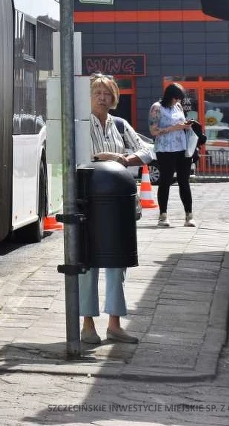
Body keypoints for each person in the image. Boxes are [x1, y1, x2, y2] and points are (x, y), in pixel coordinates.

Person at [81, 74, 153, 344]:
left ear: (114, 98)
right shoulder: (80, 124)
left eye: (107, 93)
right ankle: (87, 325)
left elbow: (148, 150)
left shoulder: (120, 125)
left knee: (117, 262)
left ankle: (114, 324)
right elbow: (75, 156)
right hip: (89, 202)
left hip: (120, 204)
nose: (102, 97)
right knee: (87, 263)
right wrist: (101, 158)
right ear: (88, 96)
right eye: (98, 92)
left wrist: (123, 158)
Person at [148, 83, 195, 228]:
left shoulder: (178, 107)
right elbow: (153, 131)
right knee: (165, 181)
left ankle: (189, 215)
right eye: (175, 98)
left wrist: (185, 125)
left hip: (182, 148)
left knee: (184, 181)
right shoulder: (156, 107)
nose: (177, 101)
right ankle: (163, 215)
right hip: (165, 149)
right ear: (169, 96)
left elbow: (180, 123)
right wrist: (173, 128)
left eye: (179, 99)